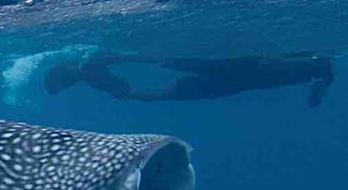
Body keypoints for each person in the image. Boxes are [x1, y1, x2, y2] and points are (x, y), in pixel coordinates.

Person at [44, 51, 335, 107]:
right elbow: (313, 95)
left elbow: (273, 60)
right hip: (245, 73)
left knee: (175, 78)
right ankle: (125, 86)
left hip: (242, 68)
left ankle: (126, 83)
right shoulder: (319, 67)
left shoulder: (319, 67)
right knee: (172, 84)